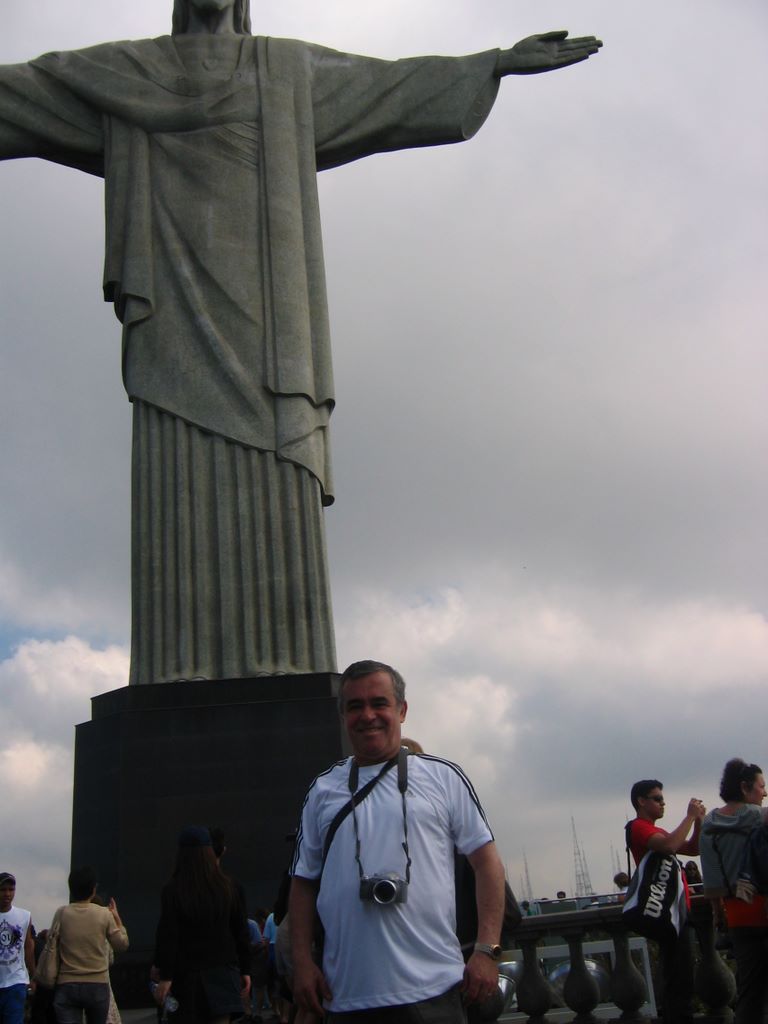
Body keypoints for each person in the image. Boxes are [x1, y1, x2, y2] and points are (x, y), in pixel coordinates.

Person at [0, 1, 602, 687]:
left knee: (275, 454)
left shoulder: (284, 70)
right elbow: (25, 91)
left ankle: (284, 659)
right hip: (171, 309)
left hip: (269, 317)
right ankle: (178, 666)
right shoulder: (124, 71)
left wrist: (488, 64)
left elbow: (390, 86)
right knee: (179, 459)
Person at [289, 659, 506, 1022]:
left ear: (402, 710)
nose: (368, 715)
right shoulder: (323, 789)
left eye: (379, 703)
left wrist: (487, 950)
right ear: (343, 715)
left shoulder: (444, 778)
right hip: (346, 994)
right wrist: (301, 963)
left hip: (434, 990)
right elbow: (302, 881)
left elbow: (487, 864)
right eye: (355, 706)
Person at [153, 825, 251, 1024]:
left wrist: (166, 976)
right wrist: (246, 969)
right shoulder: (230, 888)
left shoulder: (172, 891)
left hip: (186, 979)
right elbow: (241, 932)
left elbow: (168, 936)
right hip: (223, 974)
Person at [627, 780, 706, 1024]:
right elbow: (671, 845)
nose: (663, 803)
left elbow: (693, 849)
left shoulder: (654, 830)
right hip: (665, 913)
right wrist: (690, 817)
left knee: (681, 974)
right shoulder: (638, 827)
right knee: (677, 976)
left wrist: (699, 821)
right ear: (642, 801)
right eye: (657, 798)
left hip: (675, 912)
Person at [700, 759, 768, 1024]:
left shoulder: (709, 824)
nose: (764, 792)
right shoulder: (758, 817)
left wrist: (718, 912)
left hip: (739, 915)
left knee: (749, 992)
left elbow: (712, 880)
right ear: (744, 787)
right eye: (761, 786)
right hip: (764, 905)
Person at [52, 866, 128, 1024]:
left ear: (71, 888)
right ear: (93, 889)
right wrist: (118, 920)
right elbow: (122, 945)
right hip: (97, 984)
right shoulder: (104, 914)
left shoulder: (62, 913)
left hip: (68, 982)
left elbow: (52, 943)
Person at [0, 872, 35, 1024]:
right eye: (3, 890)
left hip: (15, 981)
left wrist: (33, 975)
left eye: (11, 889)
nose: (7, 894)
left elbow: (28, 947)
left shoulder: (24, 916)